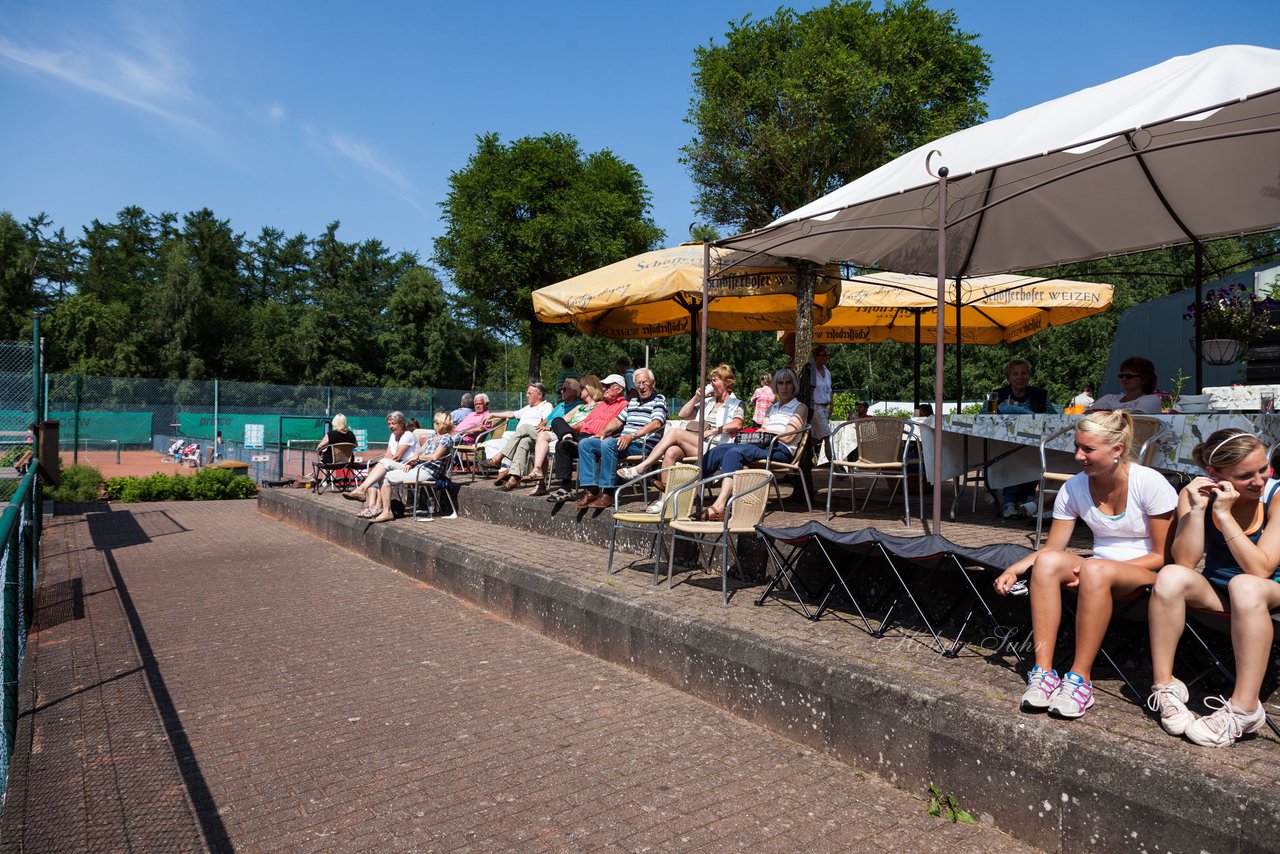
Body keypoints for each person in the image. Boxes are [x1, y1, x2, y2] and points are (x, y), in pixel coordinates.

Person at [993, 410, 1177, 719]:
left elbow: (1163, 555)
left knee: (1093, 568)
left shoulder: (1149, 483)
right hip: (1099, 566)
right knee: (1049, 563)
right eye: (1077, 447)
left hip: (1146, 569)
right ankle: (1044, 671)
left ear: (1117, 450)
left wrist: (1098, 571)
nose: (1079, 456)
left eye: (1088, 449)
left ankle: (1080, 679)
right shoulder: (1074, 487)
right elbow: (1052, 548)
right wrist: (1015, 568)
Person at [1147, 430, 1280, 746]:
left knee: (1245, 584)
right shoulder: (1196, 494)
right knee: (1169, 576)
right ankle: (1165, 686)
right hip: (1225, 591)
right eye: (1246, 475)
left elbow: (1261, 569)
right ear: (1214, 474)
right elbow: (1185, 561)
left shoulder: (1276, 496)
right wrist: (1197, 510)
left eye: (1264, 469)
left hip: (1269, 590)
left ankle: (1245, 708)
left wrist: (1224, 515)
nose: (1259, 480)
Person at [618, 364, 744, 507]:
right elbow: (683, 414)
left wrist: (713, 431)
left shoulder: (737, 404)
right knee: (671, 452)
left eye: (714, 381)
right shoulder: (708, 403)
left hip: (717, 446)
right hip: (698, 444)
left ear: (726, 382)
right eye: (710, 381)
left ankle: (642, 467)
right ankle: (664, 501)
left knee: (675, 433)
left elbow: (737, 424)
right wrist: (696, 398)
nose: (711, 385)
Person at [698, 367, 808, 522]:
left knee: (734, 453)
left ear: (794, 385)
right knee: (721, 448)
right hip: (763, 445)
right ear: (775, 386)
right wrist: (761, 434)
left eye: (788, 383)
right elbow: (763, 429)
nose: (784, 387)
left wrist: (766, 434)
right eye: (781, 383)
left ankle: (720, 506)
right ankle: (685, 484)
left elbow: (788, 437)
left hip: (780, 450)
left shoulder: (800, 407)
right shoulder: (773, 407)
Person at [574, 367, 667, 509]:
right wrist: (603, 432)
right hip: (624, 443)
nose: (641, 387)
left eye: (644, 383)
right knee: (586, 443)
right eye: (638, 384)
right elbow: (618, 420)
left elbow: (656, 423)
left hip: (643, 445)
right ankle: (592, 490)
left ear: (653, 384)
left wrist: (632, 436)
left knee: (609, 444)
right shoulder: (634, 401)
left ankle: (608, 493)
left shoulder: (659, 400)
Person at [544, 375, 630, 502]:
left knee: (565, 443)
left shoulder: (624, 405)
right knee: (558, 424)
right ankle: (565, 487)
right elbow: (585, 422)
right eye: (603, 386)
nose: (604, 389)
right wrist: (568, 430)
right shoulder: (601, 405)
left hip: (597, 438)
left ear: (619, 389)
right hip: (581, 436)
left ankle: (572, 487)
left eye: (608, 386)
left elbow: (617, 425)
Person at [365, 412, 459, 523]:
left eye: (435, 422)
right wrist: (410, 462)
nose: (433, 424)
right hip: (418, 468)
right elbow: (419, 451)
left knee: (386, 476)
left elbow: (435, 457)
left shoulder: (446, 438)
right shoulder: (434, 436)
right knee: (384, 466)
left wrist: (418, 457)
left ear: (439, 424)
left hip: (427, 472)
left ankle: (386, 512)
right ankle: (366, 492)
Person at [493, 379, 583, 490]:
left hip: (557, 434)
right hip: (545, 433)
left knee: (525, 427)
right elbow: (545, 420)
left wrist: (547, 428)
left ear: (574, 392)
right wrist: (541, 427)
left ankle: (499, 457)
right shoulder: (560, 406)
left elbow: (571, 423)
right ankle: (514, 478)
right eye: (561, 389)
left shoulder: (578, 406)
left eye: (564, 389)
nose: (561, 392)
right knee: (524, 442)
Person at [993, 359, 1050, 519]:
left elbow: (1053, 416)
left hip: (1034, 443)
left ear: (1029, 376)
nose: (1020, 377)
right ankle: (1010, 501)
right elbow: (985, 415)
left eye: (1024, 373)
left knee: (1035, 456)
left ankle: (1022, 499)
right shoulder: (998, 395)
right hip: (1002, 443)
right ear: (1008, 377)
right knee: (1011, 456)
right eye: (1015, 374)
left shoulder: (1039, 394)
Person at [528, 377, 601, 496]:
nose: (580, 391)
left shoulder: (599, 406)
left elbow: (586, 423)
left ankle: (564, 485)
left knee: (561, 443)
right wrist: (555, 427)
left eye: (582, 388)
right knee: (556, 421)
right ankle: (567, 438)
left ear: (590, 389)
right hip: (570, 434)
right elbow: (561, 420)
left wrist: (569, 429)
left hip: (583, 435)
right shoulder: (580, 407)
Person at [343, 411, 420, 516]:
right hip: (395, 465)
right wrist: (378, 467)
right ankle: (371, 507)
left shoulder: (408, 435)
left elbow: (398, 456)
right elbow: (388, 455)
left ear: (401, 424)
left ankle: (376, 505)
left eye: (393, 423)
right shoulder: (393, 436)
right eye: (389, 424)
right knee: (375, 473)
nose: (390, 426)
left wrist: (382, 465)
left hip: (407, 466)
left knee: (381, 473)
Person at [483, 383, 554, 475]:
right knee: (502, 437)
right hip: (521, 436)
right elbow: (511, 414)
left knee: (521, 430)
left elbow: (546, 422)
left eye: (529, 393)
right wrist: (492, 414)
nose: (526, 395)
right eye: (526, 393)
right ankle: (504, 469)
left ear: (539, 395)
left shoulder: (546, 406)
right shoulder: (528, 408)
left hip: (536, 436)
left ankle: (499, 459)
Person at [1091, 357, 1163, 413]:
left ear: (1144, 379)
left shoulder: (1151, 399)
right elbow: (1086, 415)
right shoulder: (1108, 398)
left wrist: (1101, 414)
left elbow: (1135, 421)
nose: (1123, 379)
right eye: (1121, 376)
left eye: (1129, 376)